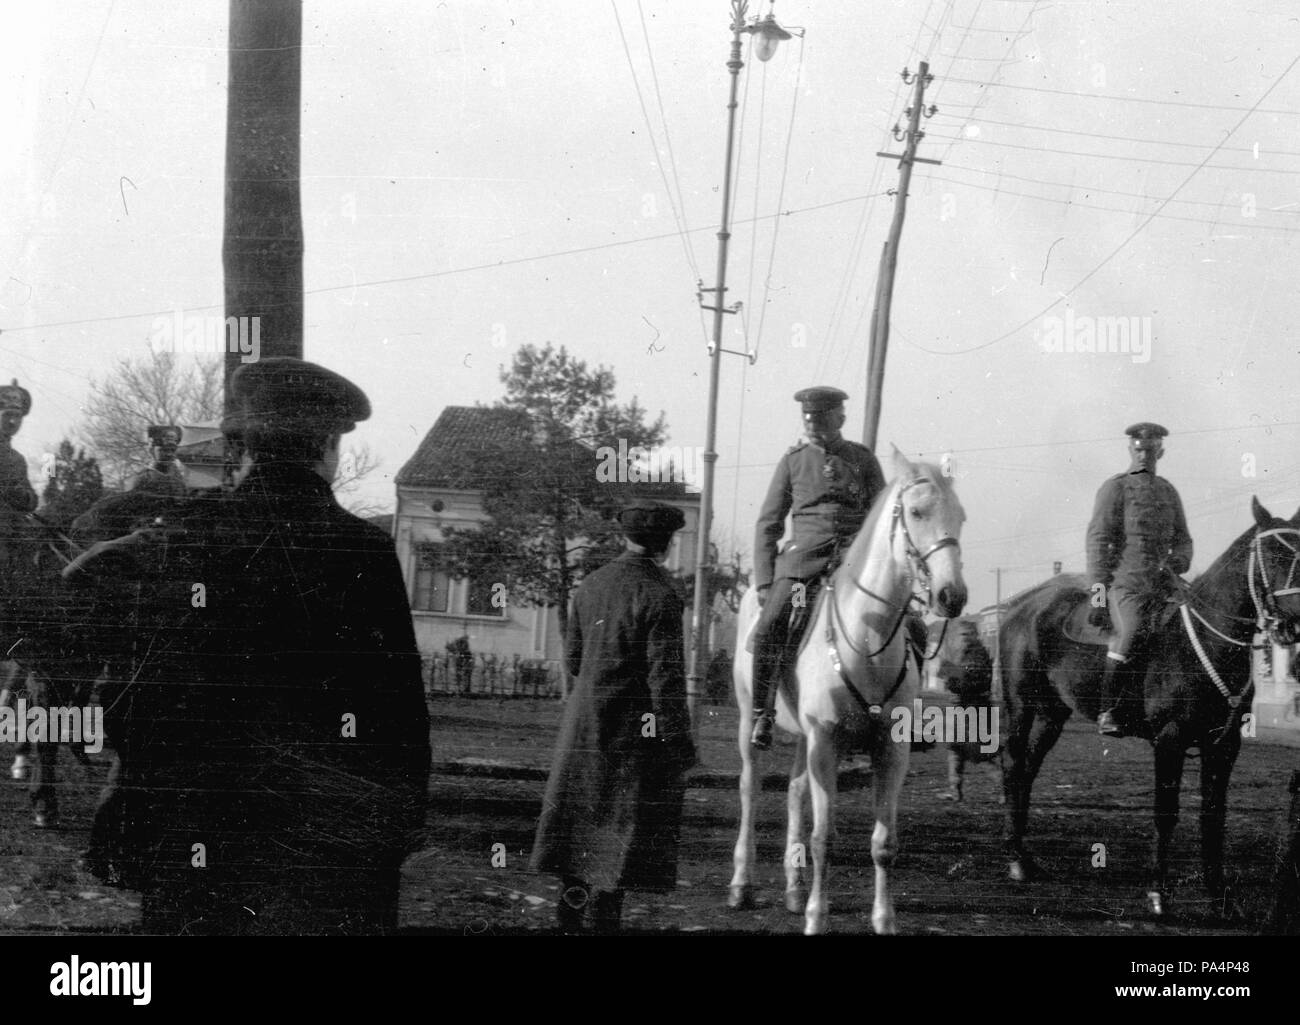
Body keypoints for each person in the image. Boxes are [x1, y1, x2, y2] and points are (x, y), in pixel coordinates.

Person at [64, 357, 431, 934]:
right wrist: (398, 818)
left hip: (194, 824)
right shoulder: (360, 548)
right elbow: (394, 709)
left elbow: (80, 592)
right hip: (318, 836)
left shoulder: (180, 533)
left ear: (243, 446)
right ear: (329, 446)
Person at [530, 500, 696, 933]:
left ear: (624, 536)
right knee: (614, 837)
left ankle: (567, 922)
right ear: (666, 543)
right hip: (629, 737)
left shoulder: (590, 585)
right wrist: (678, 742)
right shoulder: (661, 595)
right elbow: (666, 682)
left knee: (575, 835)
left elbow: (573, 660)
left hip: (583, 729)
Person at [749, 387, 886, 749]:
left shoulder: (863, 459)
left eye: (822, 419)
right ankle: (762, 715)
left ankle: (905, 717)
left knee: (909, 626)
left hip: (854, 565)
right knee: (769, 628)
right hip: (802, 567)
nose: (813, 425)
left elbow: (882, 517)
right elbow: (768, 523)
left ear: (840, 418)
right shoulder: (792, 461)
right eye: (808, 419)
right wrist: (765, 582)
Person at [1087, 422, 1193, 737]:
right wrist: (1098, 596)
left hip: (1165, 587)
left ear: (1161, 450)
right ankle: (1108, 710)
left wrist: (1180, 560)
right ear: (1130, 449)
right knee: (1131, 631)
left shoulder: (1168, 491)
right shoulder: (1115, 488)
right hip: (1127, 587)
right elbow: (1097, 542)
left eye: (1150, 449)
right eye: (1139, 449)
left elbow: (1184, 539)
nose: (1144, 454)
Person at [0, 380, 36, 786]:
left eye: (17, 417)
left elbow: (27, 497)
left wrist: (25, 498)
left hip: (12, 547)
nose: (12, 421)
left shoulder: (18, 459)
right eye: (6, 414)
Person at [129, 424, 188, 497]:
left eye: (172, 450)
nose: (169, 454)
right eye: (164, 450)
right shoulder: (144, 478)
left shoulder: (179, 477)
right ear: (152, 451)